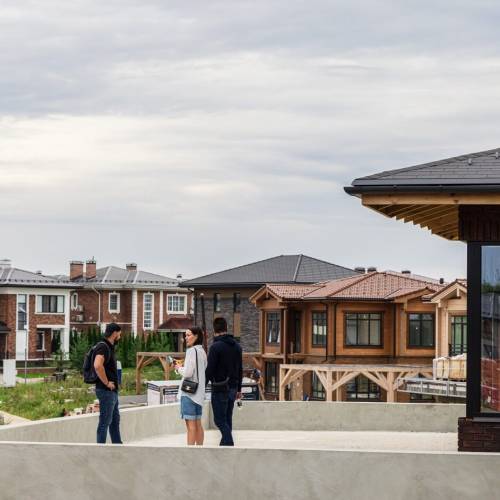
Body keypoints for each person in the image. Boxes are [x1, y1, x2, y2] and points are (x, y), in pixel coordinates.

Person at [205, 317, 243, 446]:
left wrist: (202, 386)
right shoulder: (237, 346)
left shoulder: (215, 347)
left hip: (220, 388)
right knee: (227, 418)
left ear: (214, 330)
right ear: (226, 328)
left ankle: (229, 441)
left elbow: (210, 370)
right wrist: (239, 389)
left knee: (219, 420)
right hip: (233, 388)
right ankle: (225, 445)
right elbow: (240, 369)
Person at [175, 327, 207, 446]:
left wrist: (178, 368)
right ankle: (199, 450)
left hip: (189, 393)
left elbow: (188, 373)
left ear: (196, 336)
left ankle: (190, 453)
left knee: (190, 427)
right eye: (185, 335)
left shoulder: (191, 351)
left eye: (188, 335)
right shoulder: (202, 351)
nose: (186, 338)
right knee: (198, 424)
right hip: (199, 394)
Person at [94, 323, 123, 444]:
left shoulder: (109, 347)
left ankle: (117, 446)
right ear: (114, 333)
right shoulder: (103, 347)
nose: (120, 337)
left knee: (114, 421)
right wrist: (106, 383)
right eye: (119, 334)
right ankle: (100, 450)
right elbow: (97, 365)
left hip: (112, 392)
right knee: (105, 422)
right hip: (106, 391)